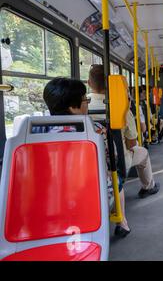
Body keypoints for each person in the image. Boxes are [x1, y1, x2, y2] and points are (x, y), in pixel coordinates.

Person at [43, 77, 131, 238]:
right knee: (116, 180)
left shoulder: (39, 132)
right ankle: (122, 222)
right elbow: (112, 162)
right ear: (72, 106)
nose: (87, 103)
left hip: (51, 196)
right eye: (85, 100)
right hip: (90, 192)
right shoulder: (96, 131)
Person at [87, 65, 160, 200]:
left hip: (88, 161)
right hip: (116, 161)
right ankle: (148, 187)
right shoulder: (121, 108)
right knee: (143, 153)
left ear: (89, 83)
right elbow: (131, 143)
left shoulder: (82, 105)